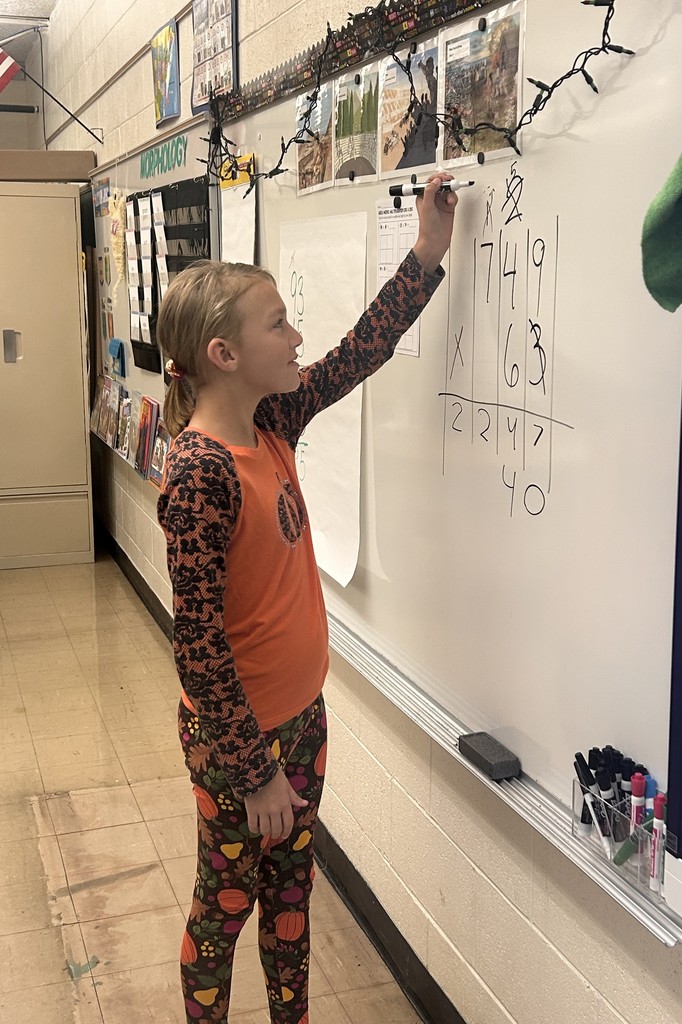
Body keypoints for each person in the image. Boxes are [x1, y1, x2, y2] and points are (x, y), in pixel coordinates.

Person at [156, 172, 458, 1024]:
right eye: (278, 321)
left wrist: (427, 255)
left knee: (292, 897)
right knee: (226, 906)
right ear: (224, 354)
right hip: (237, 744)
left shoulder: (271, 424)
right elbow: (200, 647)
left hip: (300, 720)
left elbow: (356, 355)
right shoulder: (201, 473)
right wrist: (253, 773)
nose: (297, 336)